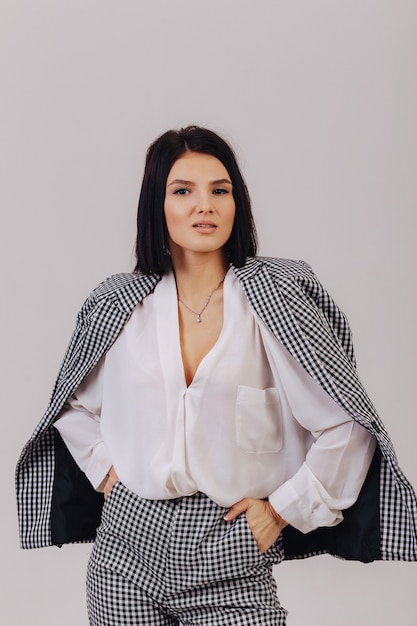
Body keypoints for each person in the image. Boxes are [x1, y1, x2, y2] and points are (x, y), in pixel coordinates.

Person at [16, 126, 417, 626]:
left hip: (227, 541)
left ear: (236, 204)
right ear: (156, 205)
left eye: (219, 190)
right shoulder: (120, 304)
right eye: (183, 190)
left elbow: (348, 422)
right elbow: (71, 404)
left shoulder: (276, 303)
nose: (204, 204)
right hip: (124, 549)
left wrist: (283, 511)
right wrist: (106, 474)